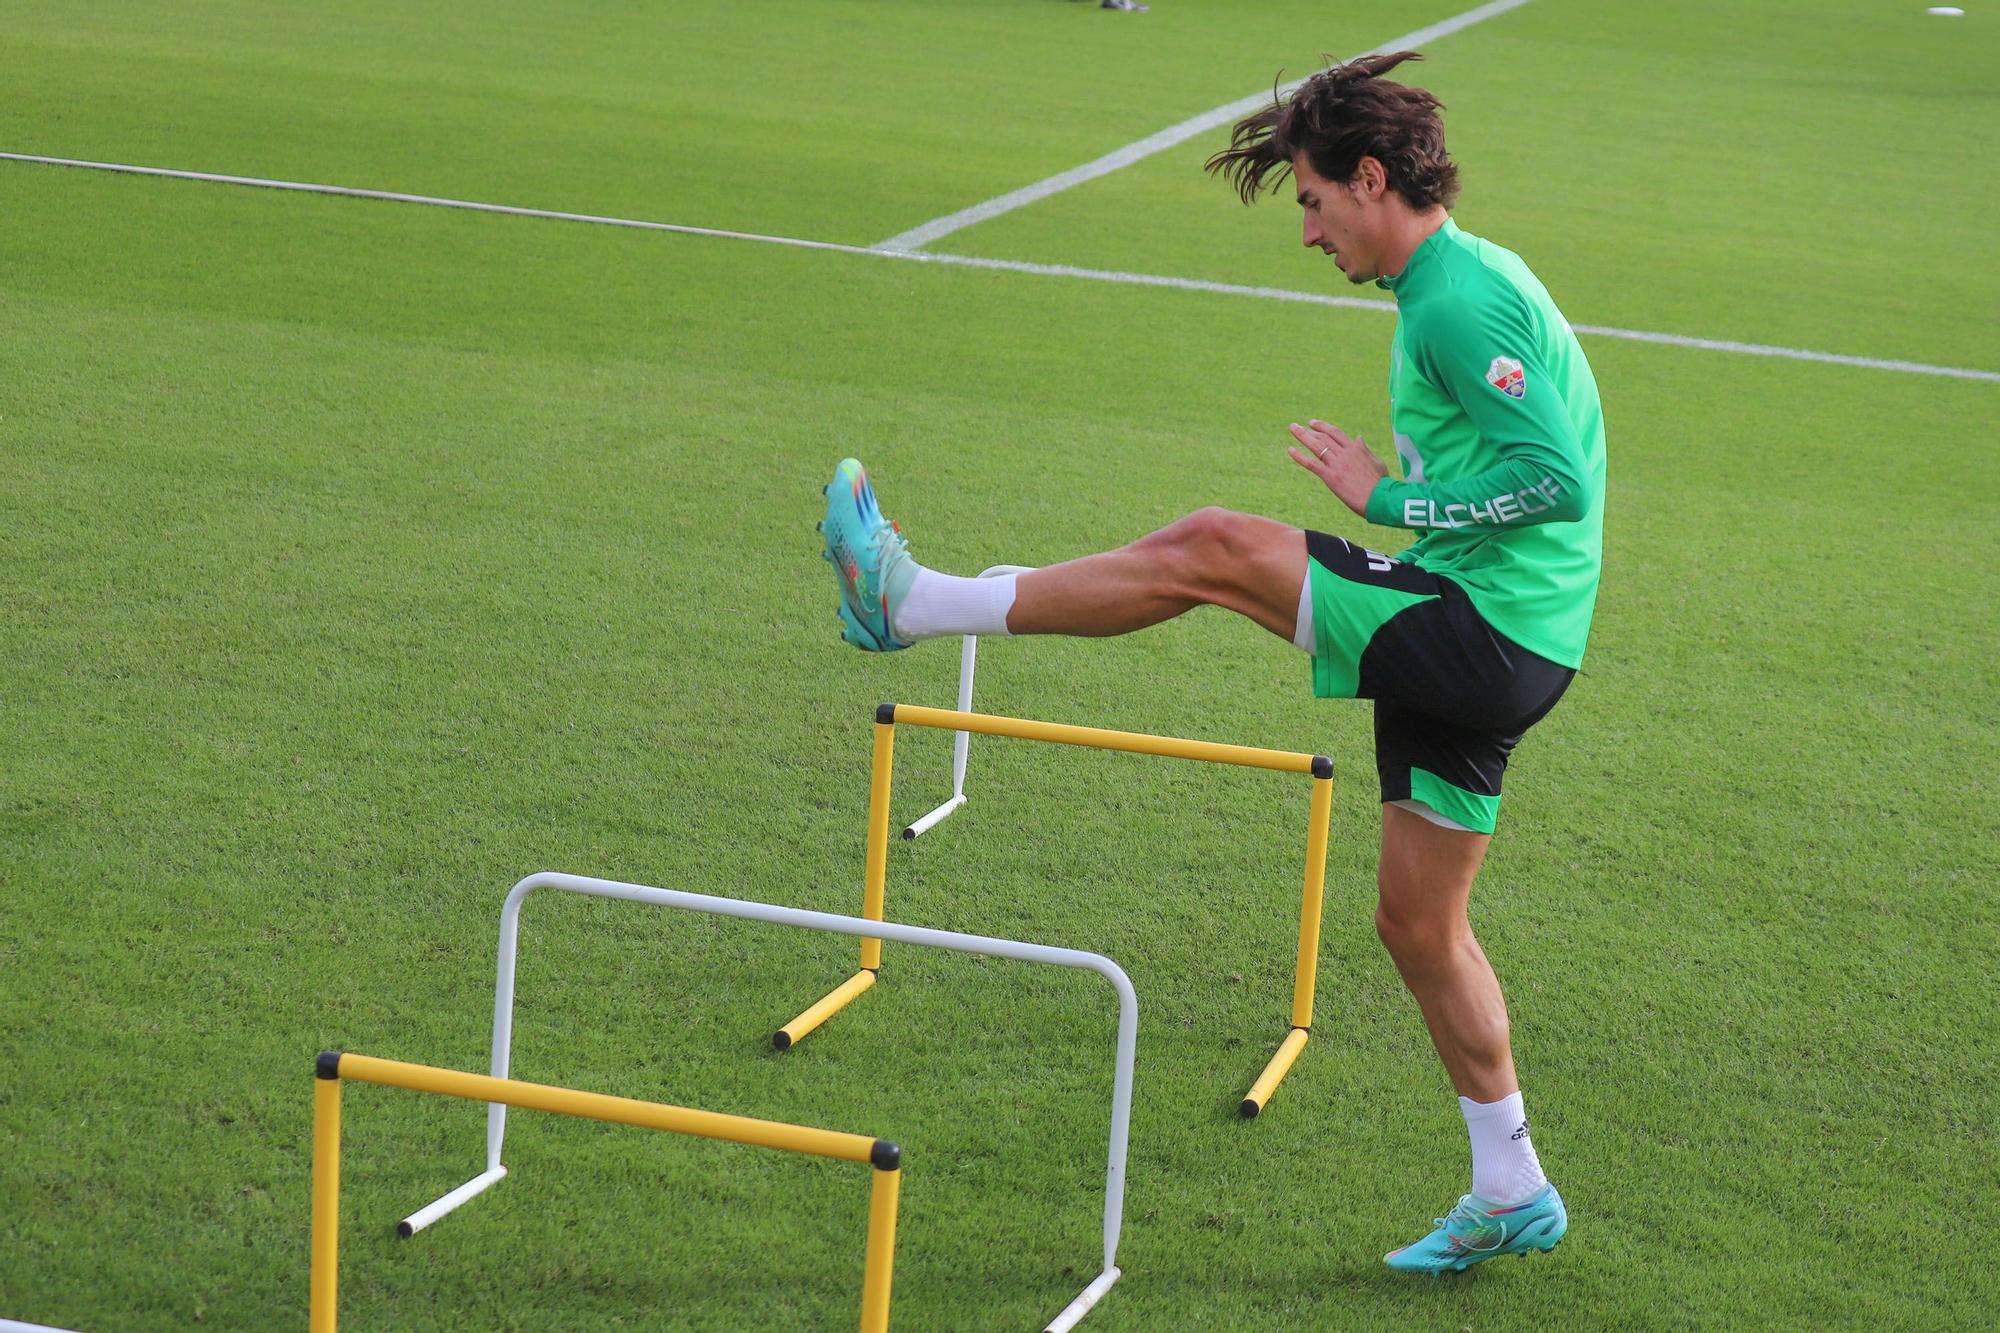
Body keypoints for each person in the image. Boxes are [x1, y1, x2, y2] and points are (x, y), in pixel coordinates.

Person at [817, 50, 1604, 1273]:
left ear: (1368, 176)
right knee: (1414, 925)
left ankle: (907, 601)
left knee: (1209, 549)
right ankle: (1512, 1184)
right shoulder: (1447, 284)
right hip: (1505, 636)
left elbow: (1551, 480)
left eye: (1307, 200)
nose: (1304, 233)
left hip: (1484, 626)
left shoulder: (1457, 298)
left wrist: (1389, 498)